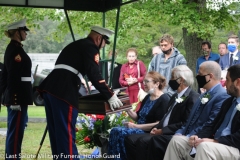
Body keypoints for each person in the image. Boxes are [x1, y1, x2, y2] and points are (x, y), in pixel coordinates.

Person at [37, 26, 123, 159]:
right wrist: (110, 95)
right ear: (99, 38)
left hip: (51, 89)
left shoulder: (76, 44)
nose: (102, 47)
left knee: (57, 133)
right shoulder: (90, 47)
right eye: (104, 43)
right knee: (65, 133)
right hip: (63, 91)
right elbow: (95, 74)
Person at [130, 61, 230, 160]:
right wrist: (179, 132)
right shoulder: (203, 95)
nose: (197, 76)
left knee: (156, 141)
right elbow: (190, 120)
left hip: (198, 138)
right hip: (185, 135)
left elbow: (209, 124)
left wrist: (190, 136)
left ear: (210, 76)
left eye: (200, 74)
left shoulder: (221, 95)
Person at [164, 64, 240, 160]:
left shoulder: (222, 96)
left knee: (205, 147)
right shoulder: (229, 102)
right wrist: (197, 136)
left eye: (228, 80)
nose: (224, 84)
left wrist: (215, 141)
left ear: (238, 82)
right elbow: (211, 125)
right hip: (217, 143)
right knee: (177, 141)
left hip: (234, 147)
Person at [124, 65, 199, 160]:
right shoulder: (175, 96)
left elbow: (184, 123)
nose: (170, 80)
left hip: (174, 134)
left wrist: (162, 131)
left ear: (181, 80)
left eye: (172, 77)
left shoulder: (192, 97)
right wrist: (156, 128)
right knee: (130, 139)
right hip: (162, 130)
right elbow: (166, 117)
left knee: (143, 141)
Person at [108, 71, 170, 160]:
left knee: (119, 132)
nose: (143, 84)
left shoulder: (164, 99)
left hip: (149, 132)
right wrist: (126, 107)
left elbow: (159, 123)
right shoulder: (147, 97)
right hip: (139, 128)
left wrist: (135, 126)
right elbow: (138, 117)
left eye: (147, 81)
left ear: (156, 84)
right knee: (114, 130)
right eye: (143, 81)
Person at [0, 19, 33, 159]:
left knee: (16, 131)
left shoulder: (16, 48)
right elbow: (13, 76)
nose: (26, 33)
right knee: (15, 132)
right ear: (17, 32)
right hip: (18, 97)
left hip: (20, 95)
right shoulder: (15, 50)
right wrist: (14, 100)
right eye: (23, 30)